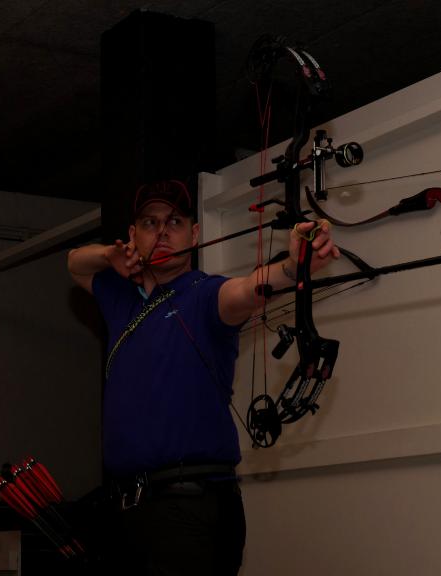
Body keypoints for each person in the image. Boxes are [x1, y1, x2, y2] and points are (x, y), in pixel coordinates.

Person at [67, 179, 339, 575]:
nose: (162, 232)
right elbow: (75, 263)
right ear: (132, 235)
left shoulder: (204, 293)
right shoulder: (119, 298)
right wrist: (110, 254)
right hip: (129, 509)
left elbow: (246, 290)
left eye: (174, 222)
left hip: (189, 504)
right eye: (149, 223)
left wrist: (291, 268)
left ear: (194, 235)